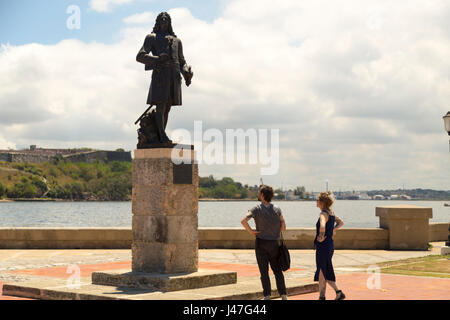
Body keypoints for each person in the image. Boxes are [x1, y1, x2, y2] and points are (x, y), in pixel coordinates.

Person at [136, 12, 193, 144]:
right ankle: (162, 136)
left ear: (169, 22)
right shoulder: (151, 37)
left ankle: (159, 136)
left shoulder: (177, 41)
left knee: (167, 106)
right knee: (161, 105)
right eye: (161, 18)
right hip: (160, 75)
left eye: (166, 19)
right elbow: (140, 56)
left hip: (174, 76)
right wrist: (157, 59)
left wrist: (186, 73)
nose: (164, 20)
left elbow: (182, 61)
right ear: (157, 22)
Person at [241, 185, 288, 300]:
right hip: (274, 244)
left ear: (262, 195)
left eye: (259, 193)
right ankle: (283, 295)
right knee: (277, 271)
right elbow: (283, 227)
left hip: (261, 243)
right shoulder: (277, 209)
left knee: (264, 271)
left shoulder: (256, 209)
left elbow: (243, 221)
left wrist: (252, 231)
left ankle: (267, 295)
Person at [314, 191, 346, 300]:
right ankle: (337, 293)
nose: (316, 202)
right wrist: (332, 230)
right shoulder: (331, 213)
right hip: (329, 245)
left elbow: (322, 226)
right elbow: (341, 222)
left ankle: (323, 296)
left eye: (317, 200)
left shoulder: (323, 214)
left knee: (322, 270)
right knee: (324, 270)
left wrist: (321, 236)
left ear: (322, 202)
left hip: (323, 246)